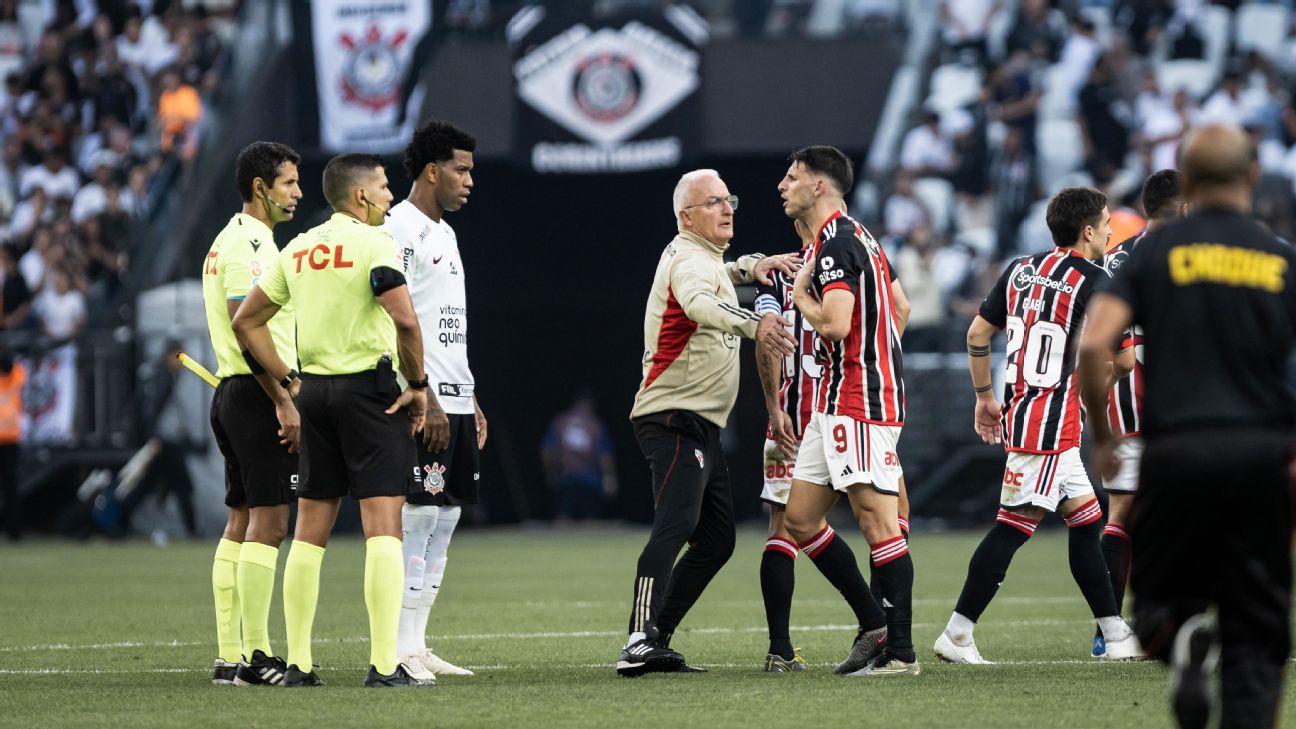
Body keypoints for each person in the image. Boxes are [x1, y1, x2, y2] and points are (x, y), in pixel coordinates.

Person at [1079, 124, 1294, 729]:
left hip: (1175, 452)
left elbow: (1095, 346)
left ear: (1189, 181)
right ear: (1252, 177)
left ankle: (1181, 641)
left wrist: (1101, 435)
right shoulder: (1279, 256)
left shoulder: (1153, 254)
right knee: (1256, 636)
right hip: (1261, 454)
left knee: (1161, 610)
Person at [232, 153, 429, 689]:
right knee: (383, 525)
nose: (391, 196)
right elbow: (406, 321)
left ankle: (298, 666)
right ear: (361, 196)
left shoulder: (297, 247)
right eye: (385, 188)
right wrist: (417, 386)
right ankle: (386, 667)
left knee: (309, 532)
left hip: (313, 394)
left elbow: (246, 321)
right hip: (370, 394)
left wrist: (289, 380)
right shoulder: (375, 243)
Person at [934, 187, 1141, 665]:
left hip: (1030, 413)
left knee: (1087, 523)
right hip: (1048, 425)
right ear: (1088, 231)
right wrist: (1093, 384)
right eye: (1107, 222)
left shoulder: (1021, 270)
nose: (1111, 230)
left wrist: (986, 397)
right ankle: (958, 632)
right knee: (1012, 528)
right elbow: (1126, 360)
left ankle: (1114, 633)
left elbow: (977, 333)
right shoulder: (1099, 281)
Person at [617, 168, 798, 677]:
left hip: (699, 423)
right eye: (714, 202)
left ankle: (657, 639)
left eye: (729, 199)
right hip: (673, 416)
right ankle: (637, 638)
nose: (728, 209)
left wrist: (754, 264)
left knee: (717, 540)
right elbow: (698, 301)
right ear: (685, 216)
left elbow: (721, 273)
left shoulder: (704, 258)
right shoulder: (687, 261)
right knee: (675, 526)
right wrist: (753, 323)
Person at [755, 212, 914, 674]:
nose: (786, 191)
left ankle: (783, 648)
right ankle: (885, 631)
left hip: (797, 413)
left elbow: (767, 339)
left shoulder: (778, 272)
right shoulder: (864, 251)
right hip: (846, 402)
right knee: (892, 515)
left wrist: (772, 407)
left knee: (783, 528)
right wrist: (877, 362)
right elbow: (900, 309)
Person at [200, 141, 303, 686]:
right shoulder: (251, 244)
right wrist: (284, 394)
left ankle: (228, 653)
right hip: (256, 393)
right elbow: (247, 326)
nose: (298, 192)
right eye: (289, 183)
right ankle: (258, 656)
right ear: (261, 187)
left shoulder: (226, 240)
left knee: (239, 521)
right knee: (270, 522)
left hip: (232, 393)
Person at [383, 119, 476, 681]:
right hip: (423, 400)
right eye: (462, 170)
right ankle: (396, 646)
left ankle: (417, 643)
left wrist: (470, 395)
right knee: (416, 516)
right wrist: (427, 397)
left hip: (457, 395)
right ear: (431, 170)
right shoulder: (399, 230)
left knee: (446, 516)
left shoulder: (445, 233)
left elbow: (447, 326)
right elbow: (396, 320)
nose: (470, 181)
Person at [1090, 168, 1187, 659]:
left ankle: (1110, 630)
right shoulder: (1198, 257)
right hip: (1185, 405)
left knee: (1123, 513)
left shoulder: (1118, 260)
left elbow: (1098, 338)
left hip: (1126, 402)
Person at [542, 390, 617, 524]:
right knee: (589, 520)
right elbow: (605, 455)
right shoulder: (595, 425)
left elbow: (547, 451)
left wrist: (550, 472)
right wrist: (609, 477)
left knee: (564, 517)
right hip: (588, 479)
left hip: (568, 477)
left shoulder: (560, 421)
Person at [0, 347, 23, 541]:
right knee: (10, 486)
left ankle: (13, 529)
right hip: (11, 436)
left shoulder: (16, 374)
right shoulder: (16, 374)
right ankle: (13, 530)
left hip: (10, 437)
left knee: (10, 487)